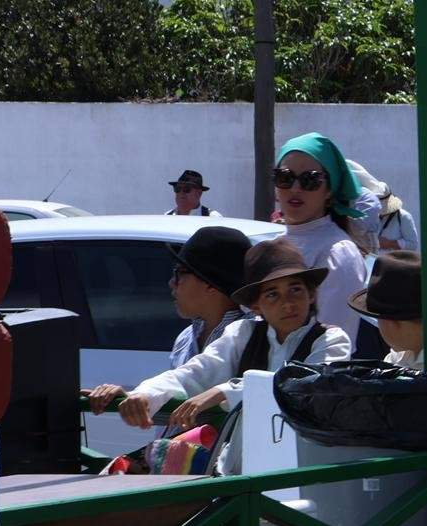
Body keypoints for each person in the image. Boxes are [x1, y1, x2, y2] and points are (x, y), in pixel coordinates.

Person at [108, 238, 352, 431]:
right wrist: (145, 393)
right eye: (272, 295)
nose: (287, 304)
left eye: (296, 290)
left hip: (300, 462)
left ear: (311, 295)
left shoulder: (331, 339)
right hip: (242, 461)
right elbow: (195, 372)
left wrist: (224, 391)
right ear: (256, 306)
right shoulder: (243, 333)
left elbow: (303, 385)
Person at [83, 225, 252, 413]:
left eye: (179, 273)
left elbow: (191, 379)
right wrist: (133, 398)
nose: (171, 282)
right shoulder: (186, 336)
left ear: (210, 283)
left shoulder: (250, 338)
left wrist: (143, 396)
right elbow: (177, 393)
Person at [271, 134, 368, 346]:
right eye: (285, 177)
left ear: (329, 190)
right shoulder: (273, 244)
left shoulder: (339, 253)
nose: (295, 188)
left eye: (310, 180)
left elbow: (332, 342)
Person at [348, 161, 420, 252]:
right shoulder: (369, 216)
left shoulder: (403, 216)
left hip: (394, 260)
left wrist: (390, 243)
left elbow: (413, 244)